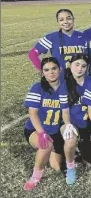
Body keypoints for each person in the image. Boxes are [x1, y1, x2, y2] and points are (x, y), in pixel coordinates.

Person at [23, 57, 71, 190]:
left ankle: (50, 152)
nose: (51, 72)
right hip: (36, 129)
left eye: (54, 68)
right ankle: (35, 177)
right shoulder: (37, 87)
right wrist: (41, 133)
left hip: (55, 131)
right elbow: (32, 113)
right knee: (45, 145)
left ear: (60, 70)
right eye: (47, 70)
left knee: (56, 166)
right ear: (42, 72)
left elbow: (66, 112)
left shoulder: (64, 88)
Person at [63, 54, 91, 182]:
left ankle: (83, 152)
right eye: (77, 65)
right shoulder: (63, 84)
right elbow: (64, 110)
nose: (80, 69)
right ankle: (71, 168)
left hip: (90, 123)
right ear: (70, 65)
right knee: (69, 140)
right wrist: (67, 124)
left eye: (83, 66)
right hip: (73, 123)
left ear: (87, 67)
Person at [28, 9, 86, 75]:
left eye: (68, 18)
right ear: (58, 21)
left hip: (79, 78)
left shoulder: (82, 36)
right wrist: (42, 69)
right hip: (60, 79)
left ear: (73, 19)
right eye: (61, 20)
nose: (65, 22)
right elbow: (32, 54)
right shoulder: (52, 37)